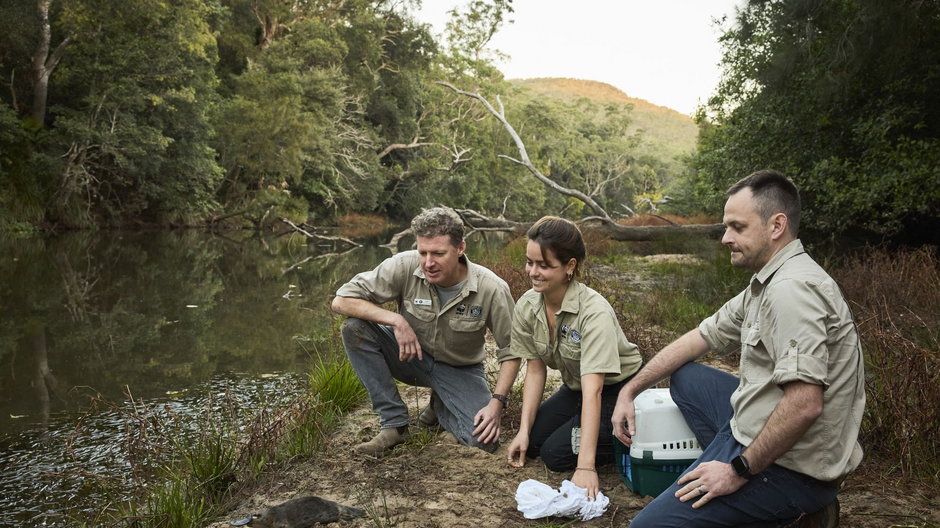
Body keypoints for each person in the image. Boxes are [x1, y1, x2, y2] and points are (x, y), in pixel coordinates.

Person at [612, 170, 864, 527]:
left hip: (791, 469)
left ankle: (786, 507)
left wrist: (737, 469)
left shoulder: (792, 291)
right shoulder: (767, 281)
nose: (725, 238)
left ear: (776, 226)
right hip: (756, 426)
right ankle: (733, 476)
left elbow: (806, 404)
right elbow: (699, 337)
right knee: (685, 376)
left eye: (737, 227)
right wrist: (631, 388)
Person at [331, 207, 521, 457]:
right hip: (411, 358)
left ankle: (439, 406)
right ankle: (395, 424)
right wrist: (397, 321)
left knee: (483, 442)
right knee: (354, 328)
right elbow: (341, 301)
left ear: (460, 248)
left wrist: (497, 402)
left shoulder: (492, 288)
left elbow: (512, 351)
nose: (429, 263)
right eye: (423, 252)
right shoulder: (403, 265)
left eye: (439, 253)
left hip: (460, 369)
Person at [507, 216, 643, 499]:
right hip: (577, 388)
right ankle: (587, 430)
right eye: (530, 262)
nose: (533, 272)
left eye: (544, 265)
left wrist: (586, 467)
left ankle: (633, 436)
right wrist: (522, 430)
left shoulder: (594, 312)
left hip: (617, 389)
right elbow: (535, 370)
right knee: (532, 443)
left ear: (570, 266)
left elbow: (595, 390)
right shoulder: (528, 304)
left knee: (554, 454)